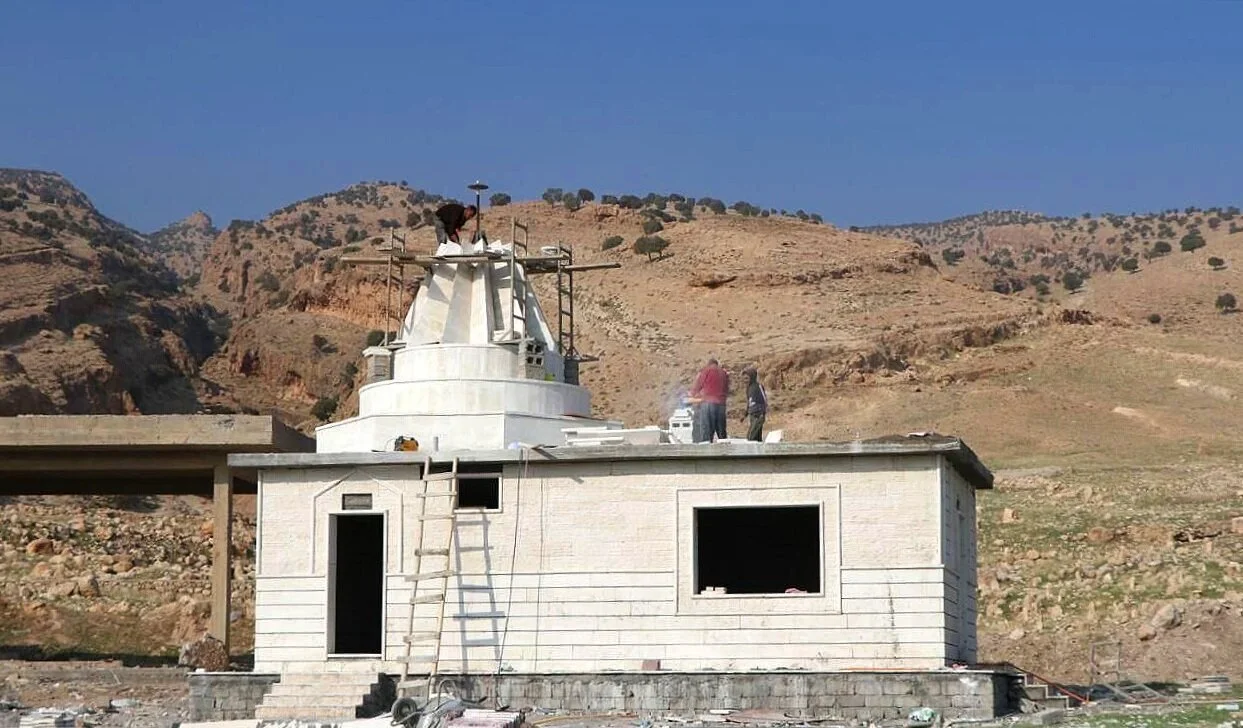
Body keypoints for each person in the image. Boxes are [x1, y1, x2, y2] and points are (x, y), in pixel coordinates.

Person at [690, 358, 729, 442]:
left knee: (706, 431)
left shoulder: (706, 371)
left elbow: (698, 385)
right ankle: (725, 451)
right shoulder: (724, 373)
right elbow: (726, 389)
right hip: (721, 405)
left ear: (708, 364)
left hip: (708, 404)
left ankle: (707, 452)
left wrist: (693, 394)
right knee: (722, 432)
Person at [739, 366, 768, 442]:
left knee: (750, 437)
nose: (745, 381)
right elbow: (749, 403)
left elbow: (764, 400)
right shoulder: (748, 389)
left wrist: (762, 413)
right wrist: (745, 415)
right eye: (744, 379)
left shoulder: (758, 386)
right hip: (752, 415)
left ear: (752, 377)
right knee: (756, 438)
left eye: (747, 378)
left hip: (758, 415)